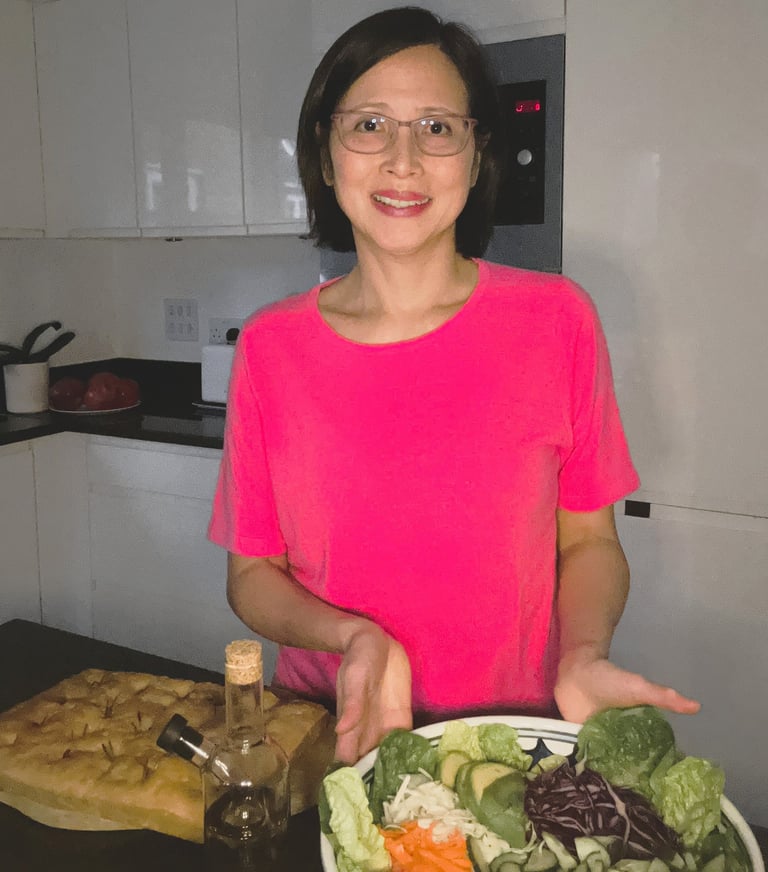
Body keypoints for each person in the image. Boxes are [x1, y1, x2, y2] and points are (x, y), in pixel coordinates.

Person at [208, 6, 700, 764]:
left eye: (437, 128)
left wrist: (582, 654)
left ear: (475, 156)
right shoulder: (272, 347)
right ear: (325, 150)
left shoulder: (556, 320)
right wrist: (355, 638)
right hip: (332, 735)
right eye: (369, 125)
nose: (403, 161)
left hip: (507, 746)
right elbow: (252, 576)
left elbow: (591, 542)